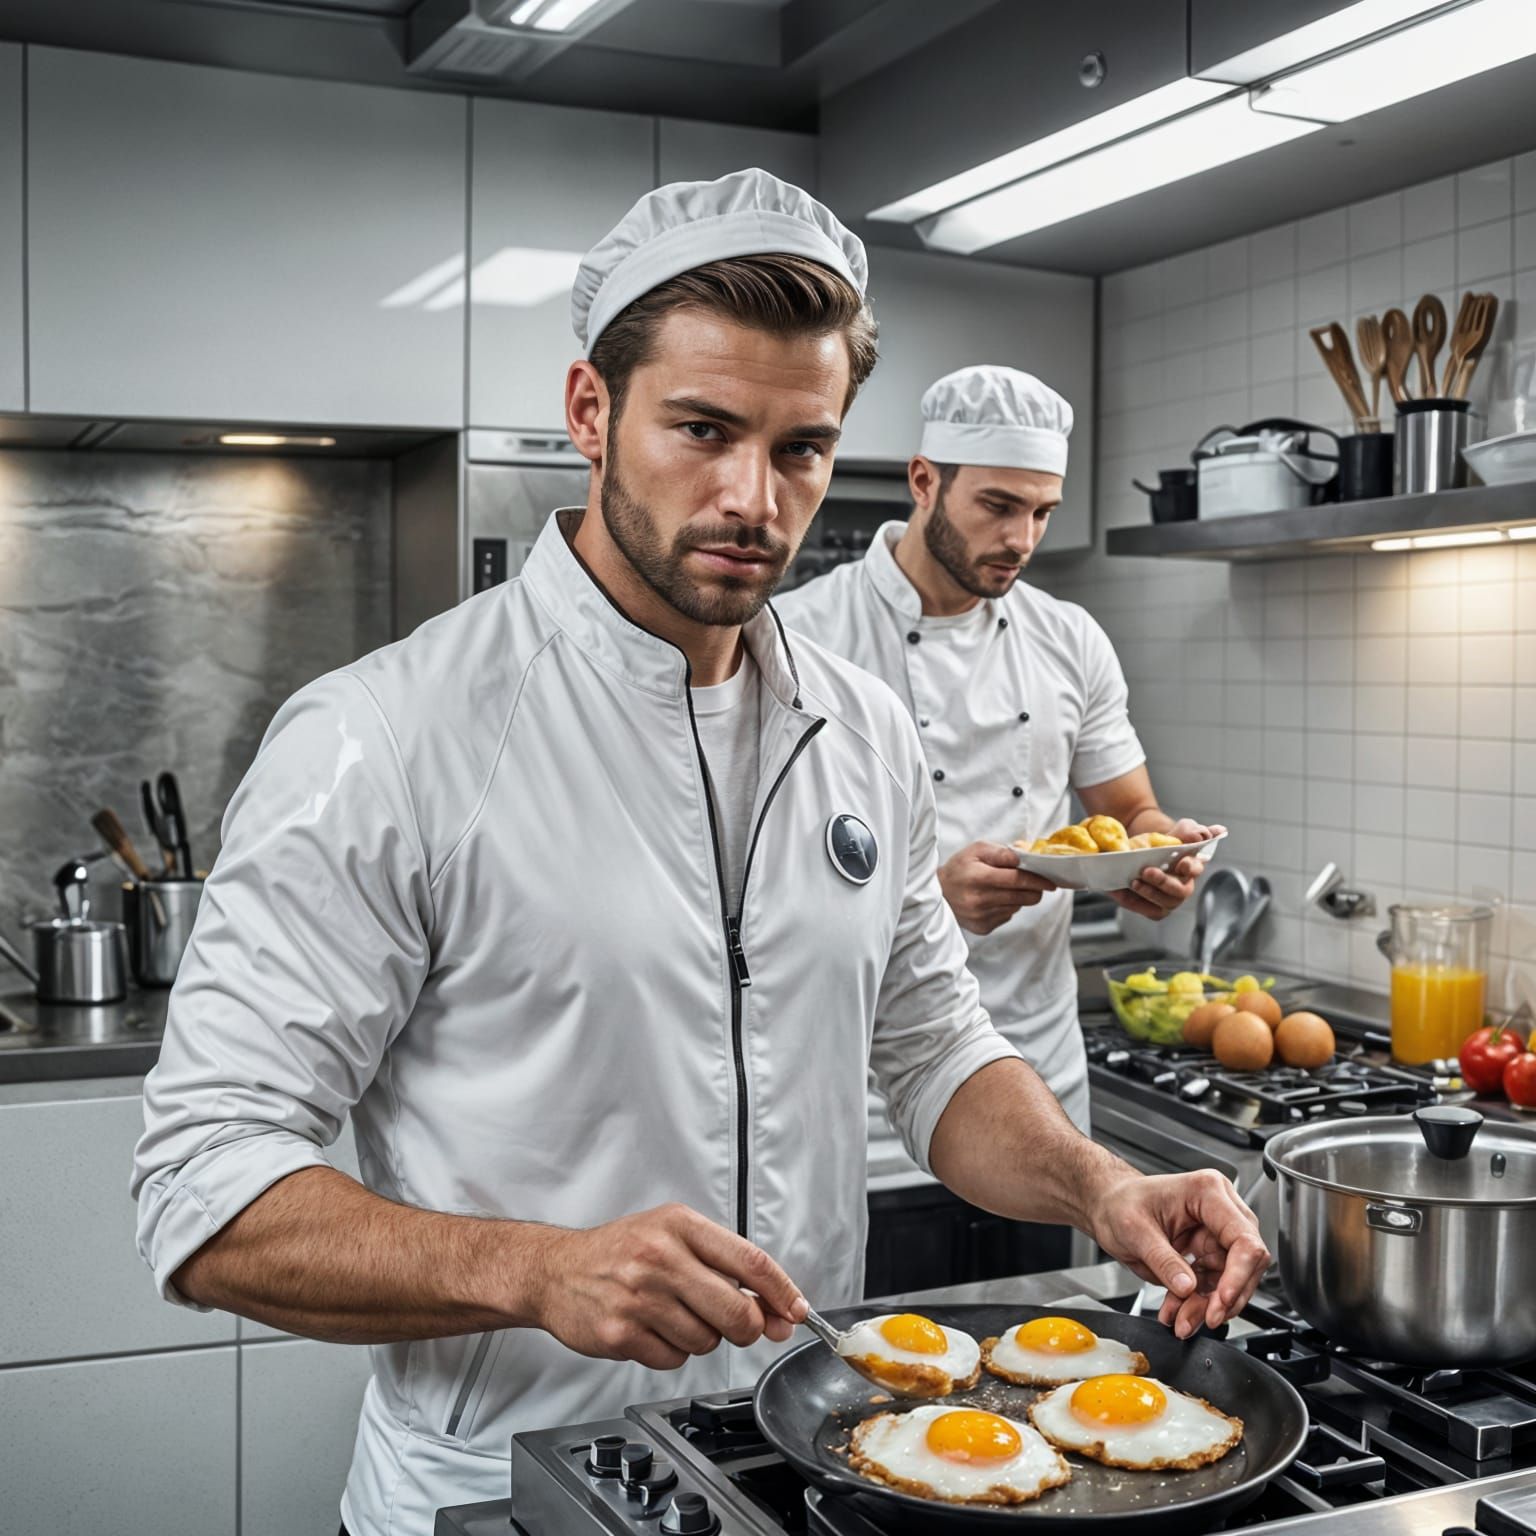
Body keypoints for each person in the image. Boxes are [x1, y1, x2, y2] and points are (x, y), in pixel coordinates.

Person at [131, 176, 1266, 1536]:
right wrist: (535, 1270)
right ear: (590, 412)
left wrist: (1103, 1184)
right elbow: (203, 1186)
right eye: (703, 429)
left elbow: (932, 1050)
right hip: (499, 1489)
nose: (753, 497)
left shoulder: (863, 733)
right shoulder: (387, 736)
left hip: (809, 1466)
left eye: (801, 448)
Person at [778, 366, 1222, 1134]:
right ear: (924, 481)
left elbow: (1129, 811)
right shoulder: (800, 639)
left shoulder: (1070, 639)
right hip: (861, 1077)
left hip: (1034, 1059)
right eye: (998, 506)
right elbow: (753, 887)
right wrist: (925, 903)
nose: (1022, 540)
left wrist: (1156, 853)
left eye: (1042, 512)